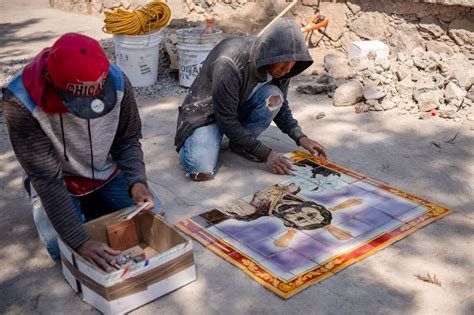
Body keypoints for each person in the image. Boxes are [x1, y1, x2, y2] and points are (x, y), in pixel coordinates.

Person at [2, 33, 163, 272]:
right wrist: (80, 241)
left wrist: (137, 181)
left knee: (154, 218)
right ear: (50, 78)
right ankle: (78, 211)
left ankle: (92, 208)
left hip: (105, 173)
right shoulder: (20, 101)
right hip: (57, 182)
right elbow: (47, 177)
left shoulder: (118, 81)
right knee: (63, 251)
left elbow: (127, 140)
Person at [175, 17, 327, 181]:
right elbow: (225, 118)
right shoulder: (229, 62)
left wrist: (301, 137)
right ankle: (194, 138)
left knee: (275, 96)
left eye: (292, 65)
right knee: (200, 170)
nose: (287, 70)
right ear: (271, 55)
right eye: (283, 65)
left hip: (235, 107)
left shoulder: (284, 64)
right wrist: (266, 153)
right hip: (206, 114)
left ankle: (240, 143)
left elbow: (281, 107)